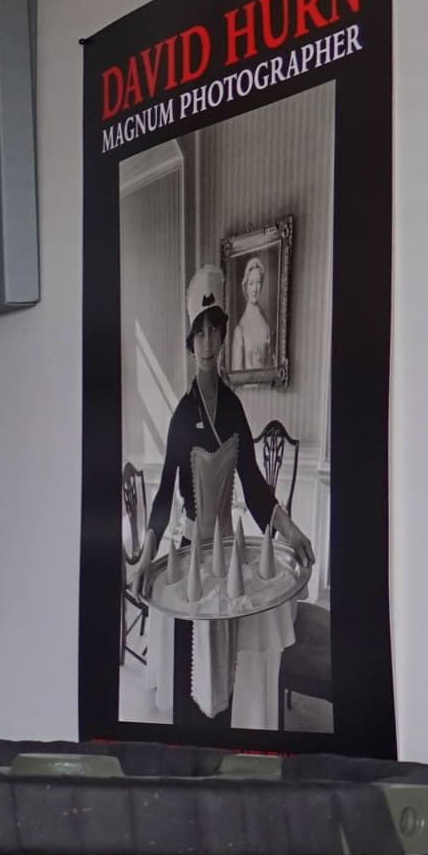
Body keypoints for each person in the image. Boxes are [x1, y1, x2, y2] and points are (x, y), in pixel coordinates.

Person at [143, 265, 314, 726]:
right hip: (189, 555)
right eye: (198, 333)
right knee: (190, 683)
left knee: (227, 678)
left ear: (222, 336)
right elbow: (163, 496)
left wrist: (290, 528)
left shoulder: (236, 409)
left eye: (214, 331)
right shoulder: (182, 416)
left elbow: (255, 487)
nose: (207, 343)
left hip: (229, 559)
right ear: (191, 340)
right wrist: (145, 554)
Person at [228, 250, 276, 374]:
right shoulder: (240, 329)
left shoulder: (265, 324)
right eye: (251, 283)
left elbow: (270, 366)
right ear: (245, 287)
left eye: (258, 283)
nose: (255, 288)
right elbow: (236, 377)